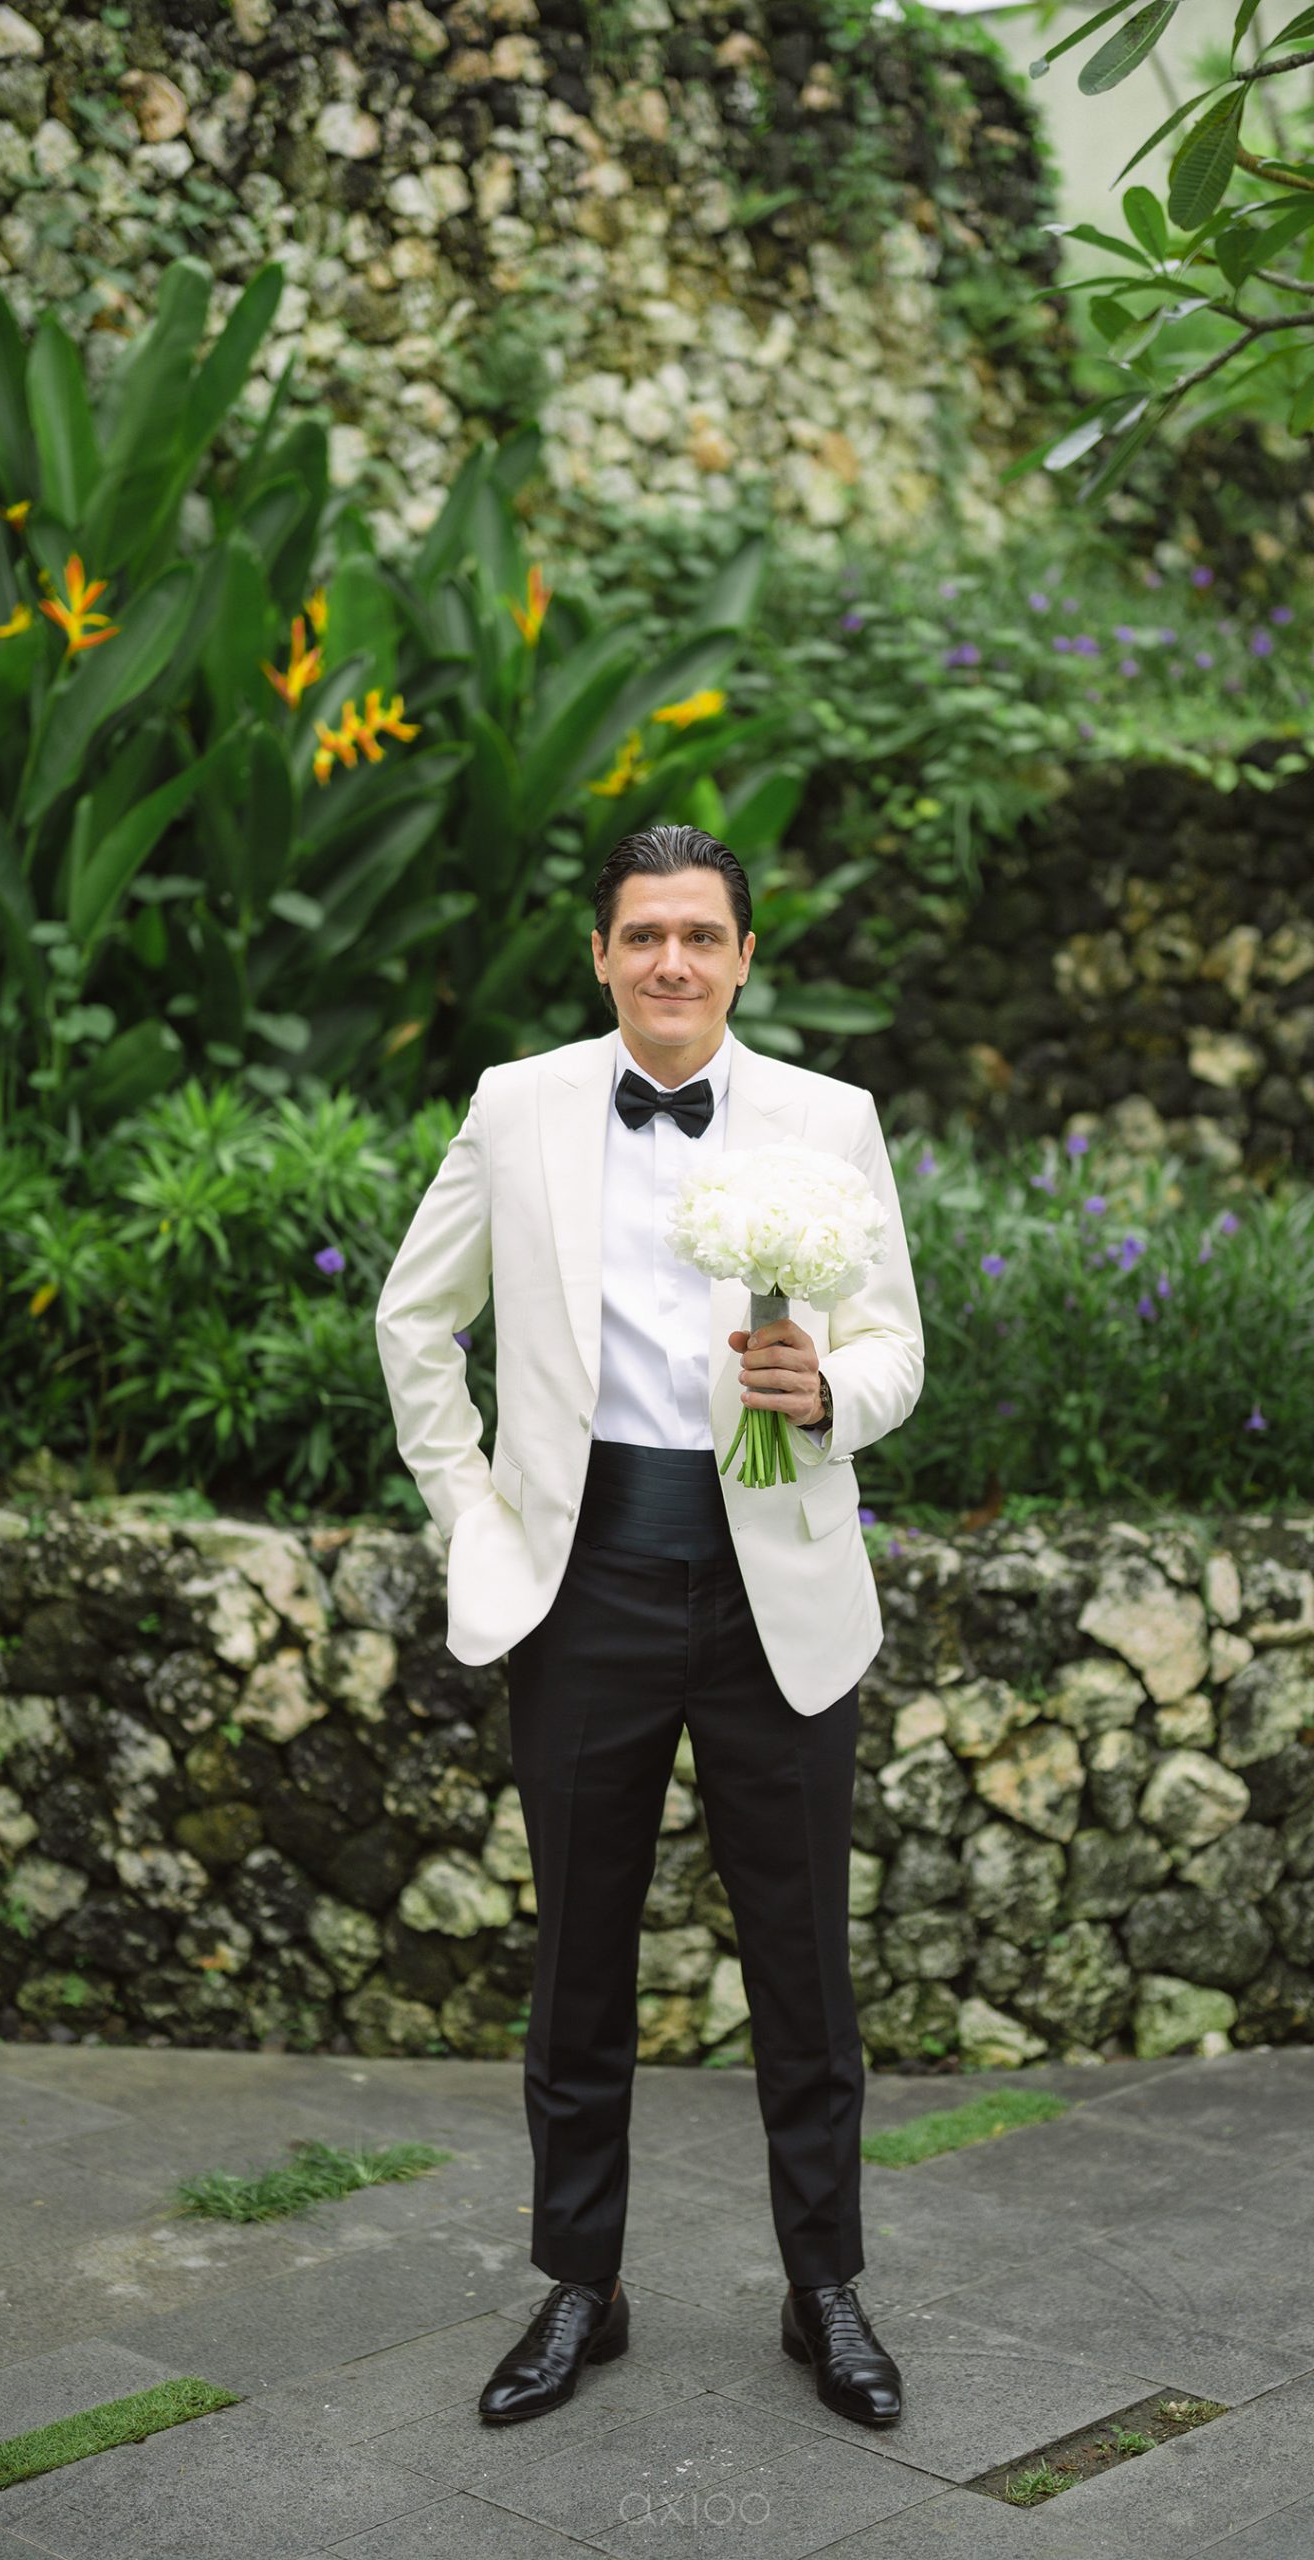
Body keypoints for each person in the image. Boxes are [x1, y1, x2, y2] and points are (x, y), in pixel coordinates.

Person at [374, 820, 925, 2431]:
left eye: (699, 935)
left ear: (745, 957)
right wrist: (473, 1514)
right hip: (584, 1583)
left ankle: (826, 2289)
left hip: (778, 1588)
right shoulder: (517, 1105)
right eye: (642, 935)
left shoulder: (832, 1115)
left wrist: (828, 1391)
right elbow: (415, 1317)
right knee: (579, 1959)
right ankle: (579, 2287)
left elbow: (895, 1344)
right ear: (602, 955)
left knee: (803, 1964)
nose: (670, 961)